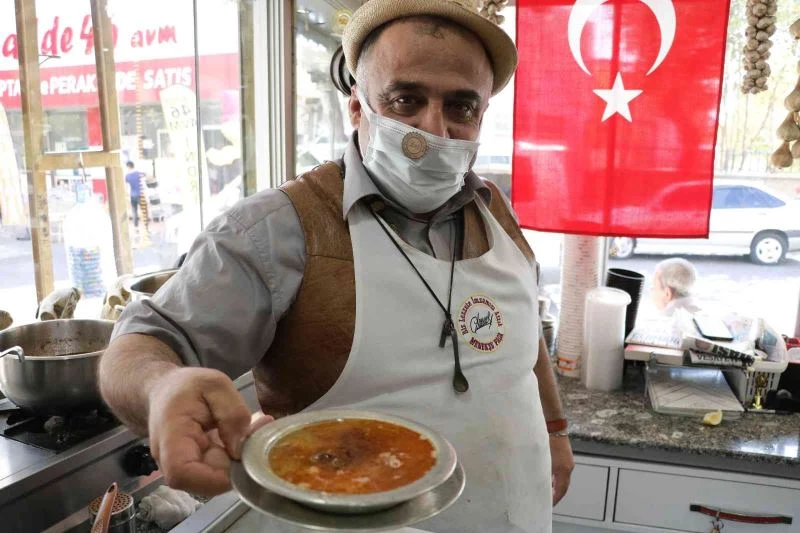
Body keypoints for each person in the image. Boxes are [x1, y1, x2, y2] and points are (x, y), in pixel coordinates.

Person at [99, 2, 573, 532]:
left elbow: (520, 330)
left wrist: (554, 430)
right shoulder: (276, 230)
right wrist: (160, 388)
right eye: (405, 100)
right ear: (357, 108)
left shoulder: (493, 210)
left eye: (461, 106)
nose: (433, 127)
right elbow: (140, 344)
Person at [124, 161, 144, 227]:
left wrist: (127, 195)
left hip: (132, 195)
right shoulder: (138, 173)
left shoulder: (127, 176)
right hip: (140, 194)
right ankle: (144, 225)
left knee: (134, 211)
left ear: (128, 167)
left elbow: (126, 187)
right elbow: (146, 176)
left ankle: (136, 226)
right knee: (143, 210)